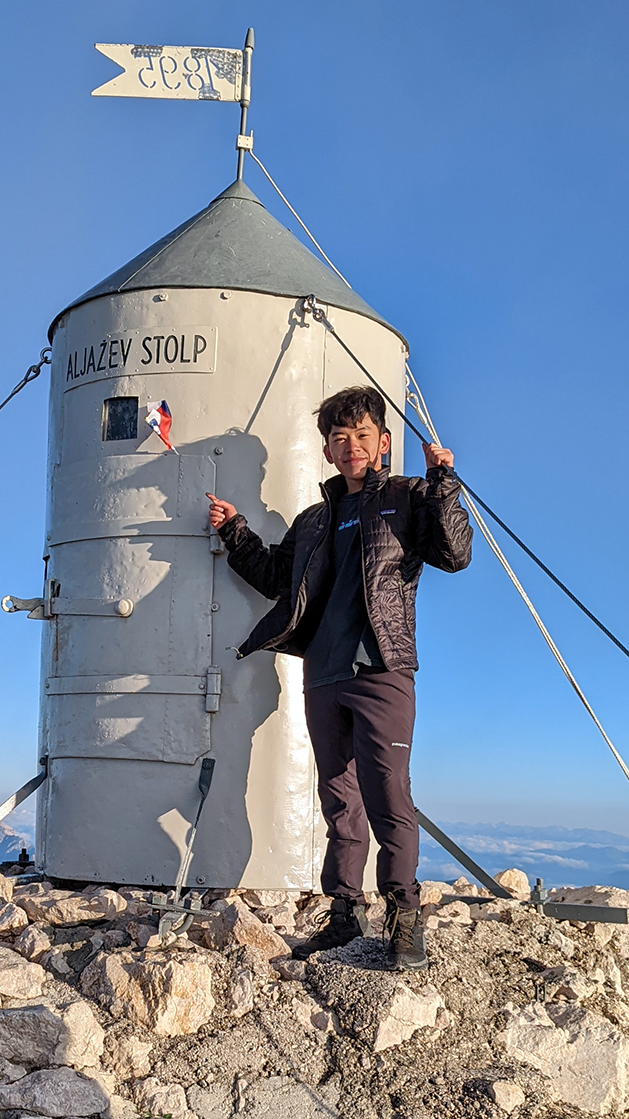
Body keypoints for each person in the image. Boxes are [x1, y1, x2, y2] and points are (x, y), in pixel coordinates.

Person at [206, 385, 472, 971]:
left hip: (382, 669)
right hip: (323, 672)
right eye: (338, 437)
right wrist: (235, 531)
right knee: (339, 799)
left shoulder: (408, 496)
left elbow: (454, 553)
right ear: (326, 450)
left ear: (382, 443)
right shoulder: (315, 520)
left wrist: (445, 483)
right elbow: (279, 578)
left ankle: (404, 917)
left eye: (361, 435)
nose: (349, 446)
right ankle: (344, 913)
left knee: (387, 794)